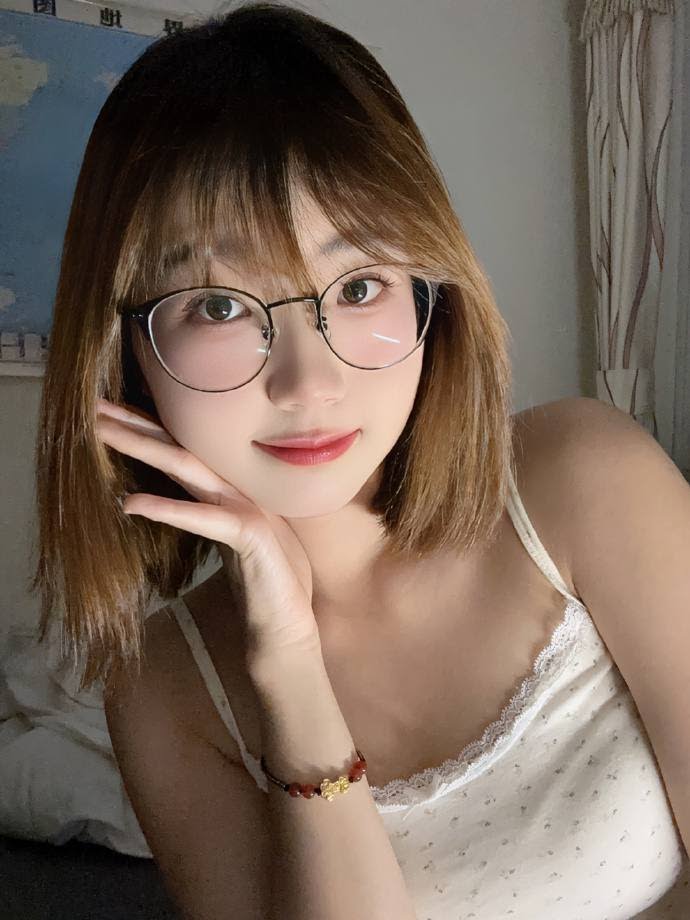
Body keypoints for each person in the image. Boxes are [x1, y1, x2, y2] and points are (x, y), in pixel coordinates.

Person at [31, 2, 689, 918]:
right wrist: (290, 667)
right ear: (127, 351)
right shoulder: (164, 691)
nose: (309, 381)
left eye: (360, 285)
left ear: (430, 290)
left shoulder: (587, 477)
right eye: (217, 306)